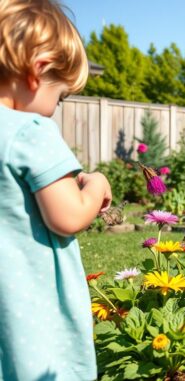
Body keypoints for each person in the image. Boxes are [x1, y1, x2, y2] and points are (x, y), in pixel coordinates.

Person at [0, 1, 112, 379]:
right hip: (30, 310)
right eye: (60, 97)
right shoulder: (28, 129)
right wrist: (95, 184)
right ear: (38, 71)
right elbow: (69, 215)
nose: (54, 110)